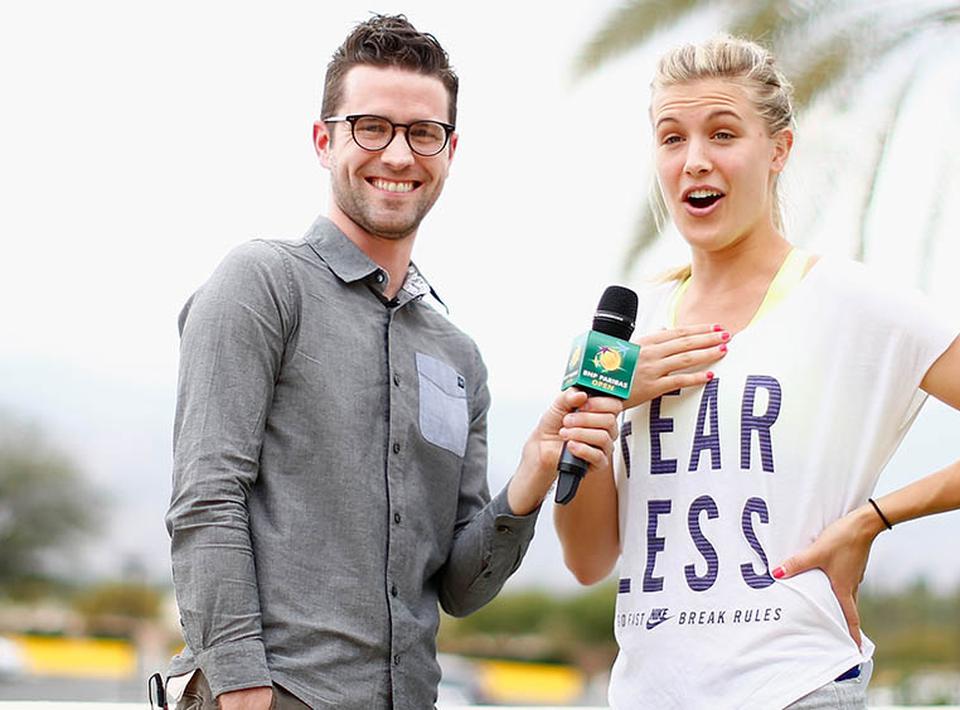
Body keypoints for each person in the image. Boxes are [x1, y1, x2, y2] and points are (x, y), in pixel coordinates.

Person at [554, 36, 960, 709]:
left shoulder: (845, 299)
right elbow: (588, 560)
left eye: (722, 134)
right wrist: (598, 411)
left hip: (795, 686)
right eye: (672, 138)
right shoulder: (631, 333)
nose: (694, 160)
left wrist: (872, 519)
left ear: (778, 150)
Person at [164, 15, 620, 709]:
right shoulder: (261, 283)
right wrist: (241, 688)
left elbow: (462, 590)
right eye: (370, 127)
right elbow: (205, 500)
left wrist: (527, 481)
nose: (399, 155)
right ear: (325, 140)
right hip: (276, 694)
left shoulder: (457, 357)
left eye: (421, 132)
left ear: (449, 149)